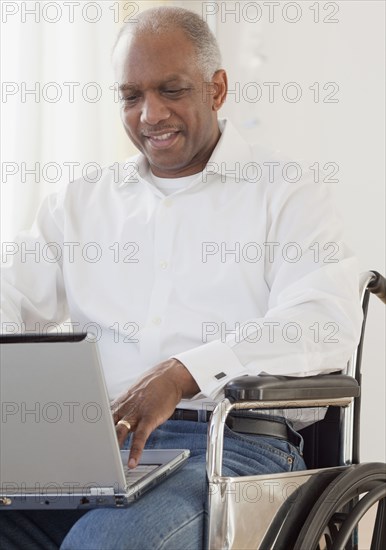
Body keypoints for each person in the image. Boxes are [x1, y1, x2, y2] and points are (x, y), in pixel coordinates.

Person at [0, 6, 362, 550]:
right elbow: (10, 296)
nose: (150, 114)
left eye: (171, 90)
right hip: (98, 451)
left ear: (216, 89)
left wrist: (184, 373)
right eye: (130, 96)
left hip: (234, 450)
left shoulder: (286, 192)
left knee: (107, 543)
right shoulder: (78, 204)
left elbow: (321, 323)